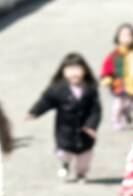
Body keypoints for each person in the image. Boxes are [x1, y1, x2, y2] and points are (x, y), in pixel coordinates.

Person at [27, 52, 101, 182]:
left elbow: (96, 110)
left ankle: (81, 174)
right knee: (63, 153)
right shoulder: (58, 88)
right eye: (70, 69)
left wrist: (91, 126)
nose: (74, 73)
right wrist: (35, 112)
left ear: (85, 70)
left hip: (85, 133)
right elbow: (46, 101)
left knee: (84, 157)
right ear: (63, 71)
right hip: (65, 130)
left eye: (78, 69)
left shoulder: (90, 89)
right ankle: (65, 164)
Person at [101, 22, 133, 130]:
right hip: (119, 85)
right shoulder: (114, 56)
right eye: (123, 35)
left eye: (129, 35)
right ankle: (116, 121)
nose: (126, 38)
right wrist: (107, 77)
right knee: (118, 104)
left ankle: (126, 112)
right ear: (118, 37)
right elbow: (107, 67)